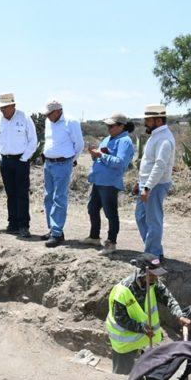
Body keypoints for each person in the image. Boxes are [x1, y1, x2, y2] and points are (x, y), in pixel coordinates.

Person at [105, 253, 191, 375]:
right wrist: (141, 328)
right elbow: (120, 319)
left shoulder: (153, 283)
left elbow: (167, 298)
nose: (155, 278)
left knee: (144, 369)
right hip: (124, 340)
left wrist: (180, 315)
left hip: (143, 337)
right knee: (121, 375)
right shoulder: (123, 291)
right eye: (152, 275)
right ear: (142, 273)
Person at [82, 113, 136, 255]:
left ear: (121, 126)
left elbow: (120, 163)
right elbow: (100, 159)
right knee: (92, 208)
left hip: (110, 182)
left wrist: (101, 155)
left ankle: (111, 243)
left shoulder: (125, 141)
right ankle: (94, 236)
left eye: (111, 126)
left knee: (110, 213)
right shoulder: (106, 139)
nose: (108, 128)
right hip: (98, 180)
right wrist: (95, 155)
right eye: (108, 126)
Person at [0, 93, 38, 239]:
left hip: (21, 162)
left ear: (13, 106)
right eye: (1, 108)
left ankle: (24, 226)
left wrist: (24, 158)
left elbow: (33, 141)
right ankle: (13, 224)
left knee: (22, 194)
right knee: (10, 194)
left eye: (5, 107)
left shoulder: (25, 118)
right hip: (5, 161)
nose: (2, 110)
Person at [40, 99, 84, 247]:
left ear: (58, 111)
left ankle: (57, 233)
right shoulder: (48, 122)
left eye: (49, 114)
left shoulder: (71, 122)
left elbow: (79, 144)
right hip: (49, 163)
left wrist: (71, 160)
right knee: (48, 197)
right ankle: (52, 228)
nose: (47, 117)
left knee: (59, 197)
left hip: (63, 163)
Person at [135, 104, 175, 261]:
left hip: (155, 186)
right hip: (147, 184)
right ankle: (153, 250)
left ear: (158, 120)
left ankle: (153, 255)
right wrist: (141, 182)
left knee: (153, 220)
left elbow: (160, 165)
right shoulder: (156, 136)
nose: (145, 123)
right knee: (140, 216)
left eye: (148, 120)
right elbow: (150, 163)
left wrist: (148, 187)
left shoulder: (164, 139)